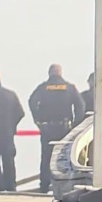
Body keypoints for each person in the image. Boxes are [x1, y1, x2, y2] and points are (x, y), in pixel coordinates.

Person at [28, 64, 85, 193]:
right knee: (64, 158)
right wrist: (75, 124)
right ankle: (63, 187)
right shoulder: (70, 88)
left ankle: (44, 186)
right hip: (65, 128)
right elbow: (80, 105)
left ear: (49, 73)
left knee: (46, 157)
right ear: (60, 73)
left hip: (47, 127)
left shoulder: (43, 88)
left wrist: (38, 120)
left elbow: (31, 101)